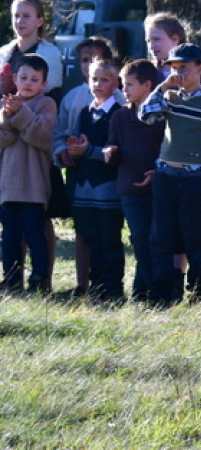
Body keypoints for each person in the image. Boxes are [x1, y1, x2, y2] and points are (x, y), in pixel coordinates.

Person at [140, 41, 201, 306]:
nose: (178, 73)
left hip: (193, 179)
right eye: (174, 68)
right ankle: (161, 293)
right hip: (166, 176)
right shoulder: (169, 98)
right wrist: (162, 88)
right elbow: (145, 115)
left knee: (195, 238)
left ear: (200, 69)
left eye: (184, 68)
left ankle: (199, 293)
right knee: (160, 238)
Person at [53, 36, 124, 296]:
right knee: (91, 237)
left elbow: (115, 152)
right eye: (94, 79)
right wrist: (71, 147)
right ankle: (96, 286)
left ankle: (112, 289)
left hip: (108, 185)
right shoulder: (83, 109)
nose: (97, 84)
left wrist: (88, 150)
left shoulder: (119, 110)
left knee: (109, 239)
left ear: (116, 82)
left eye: (104, 80)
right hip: (84, 183)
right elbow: (71, 136)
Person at [104, 59, 164, 304]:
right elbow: (112, 144)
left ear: (147, 85)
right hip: (129, 188)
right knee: (139, 238)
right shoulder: (120, 116)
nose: (124, 89)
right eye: (123, 84)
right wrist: (109, 152)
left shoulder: (162, 116)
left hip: (158, 188)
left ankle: (144, 293)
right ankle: (153, 292)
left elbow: (168, 148)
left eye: (129, 84)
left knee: (155, 240)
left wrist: (157, 171)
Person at [0, 54, 57, 294]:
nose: (28, 83)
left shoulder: (46, 104)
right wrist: (8, 116)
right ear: (14, 79)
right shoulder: (5, 105)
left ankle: (39, 280)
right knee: (10, 237)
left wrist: (19, 113)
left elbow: (41, 136)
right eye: (23, 78)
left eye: (35, 79)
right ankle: (11, 280)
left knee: (35, 236)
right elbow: (4, 139)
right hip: (8, 186)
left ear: (44, 83)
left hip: (34, 186)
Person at [0, 0, 63, 97]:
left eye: (26, 16)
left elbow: (51, 96)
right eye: (16, 16)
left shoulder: (50, 55)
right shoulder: (3, 54)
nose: (20, 21)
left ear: (39, 21)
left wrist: (13, 90)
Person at [144, 12, 187, 76]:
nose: (151, 46)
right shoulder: (147, 73)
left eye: (156, 39)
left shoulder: (191, 72)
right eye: (148, 41)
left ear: (174, 39)